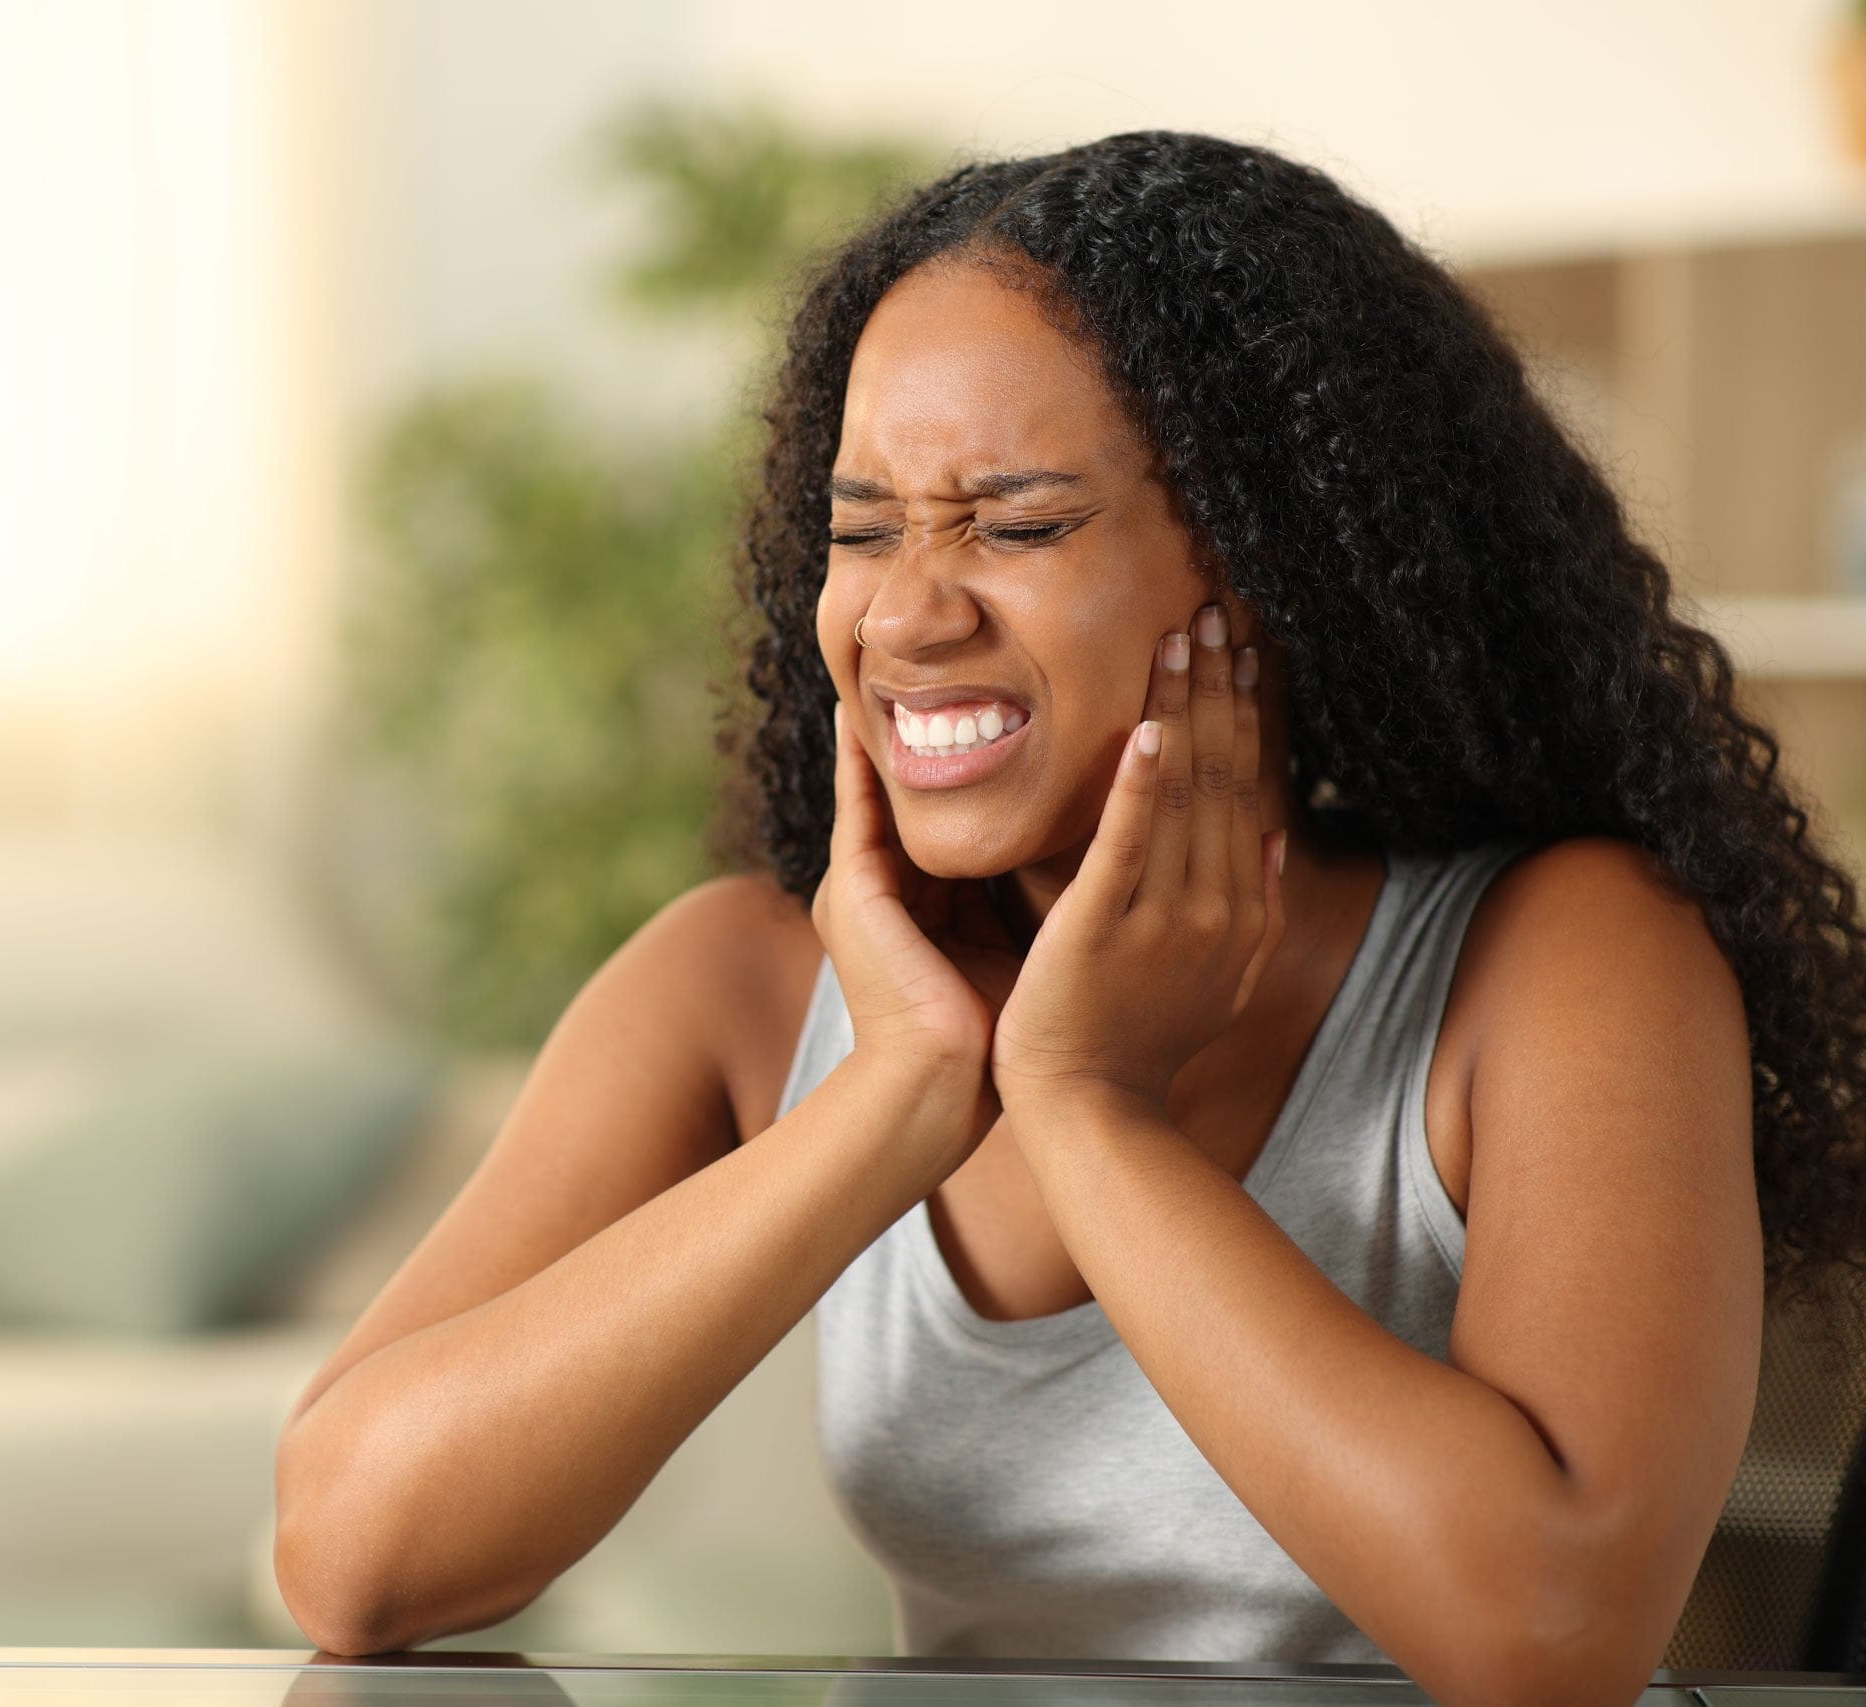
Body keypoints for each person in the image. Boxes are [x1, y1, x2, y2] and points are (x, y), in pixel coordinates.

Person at [272, 131, 1866, 1701]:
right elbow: (352, 1558)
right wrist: (898, 1092)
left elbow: (1550, 1634)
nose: (908, 612)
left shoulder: (1561, 957)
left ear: (1276, 565)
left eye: (1019, 524)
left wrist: (1091, 1109)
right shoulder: (740, 984)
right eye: (864, 529)